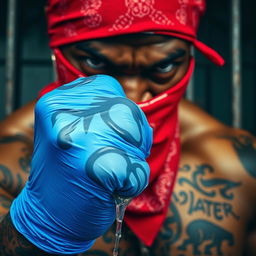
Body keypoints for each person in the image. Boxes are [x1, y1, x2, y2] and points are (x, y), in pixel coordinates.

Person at [0, 0, 256, 255]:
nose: (131, 98)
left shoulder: (239, 163)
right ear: (57, 53)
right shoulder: (7, 158)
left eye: (164, 67)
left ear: (189, 57)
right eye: (96, 63)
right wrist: (39, 228)